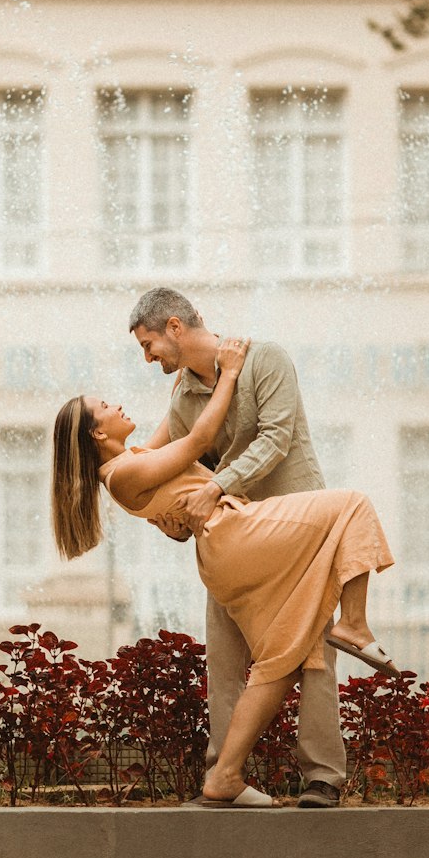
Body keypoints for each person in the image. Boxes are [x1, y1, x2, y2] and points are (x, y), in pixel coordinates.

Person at [51, 338, 397, 808]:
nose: (116, 403)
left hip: (226, 550)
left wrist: (183, 388)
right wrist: (230, 372)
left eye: (150, 345)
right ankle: (353, 624)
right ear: (95, 434)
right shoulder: (125, 475)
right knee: (353, 505)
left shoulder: (128, 463)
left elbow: (166, 433)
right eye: (105, 406)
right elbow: (193, 441)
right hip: (234, 535)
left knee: (280, 657)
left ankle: (225, 776)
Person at [129, 287, 348, 808]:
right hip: (236, 544)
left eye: (148, 344)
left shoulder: (264, 359)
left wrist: (216, 486)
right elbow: (180, 467)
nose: (147, 358)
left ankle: (322, 778)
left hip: (299, 534)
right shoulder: (183, 399)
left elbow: (276, 440)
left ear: (175, 327)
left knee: (312, 654)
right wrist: (174, 515)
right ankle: (222, 776)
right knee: (224, 661)